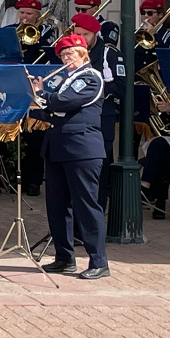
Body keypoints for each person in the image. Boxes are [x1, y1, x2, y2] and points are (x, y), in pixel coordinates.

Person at [31, 34, 110, 280]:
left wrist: (42, 95)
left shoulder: (90, 77)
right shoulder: (66, 80)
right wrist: (30, 104)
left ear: (83, 54)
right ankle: (64, 257)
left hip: (82, 149)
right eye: (63, 56)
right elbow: (54, 115)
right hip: (58, 148)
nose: (66, 59)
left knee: (86, 206)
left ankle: (99, 261)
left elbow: (65, 103)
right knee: (57, 206)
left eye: (70, 55)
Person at [69, 13, 126, 209]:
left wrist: (91, 89)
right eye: (78, 34)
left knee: (98, 173)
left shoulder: (109, 53)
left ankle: (95, 218)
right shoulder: (72, 53)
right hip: (76, 120)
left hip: (102, 119)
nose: (81, 39)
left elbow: (120, 86)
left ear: (95, 34)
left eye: (85, 34)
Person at [10, 0, 54, 196]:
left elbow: (50, 56)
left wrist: (36, 41)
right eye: (22, 13)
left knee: (35, 135)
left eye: (29, 14)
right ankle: (14, 175)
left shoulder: (46, 32)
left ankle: (34, 180)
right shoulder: (11, 30)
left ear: (37, 15)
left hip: (36, 84)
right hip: (14, 84)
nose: (24, 17)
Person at [134, 0, 170, 71]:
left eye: (150, 13)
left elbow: (169, 57)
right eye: (143, 13)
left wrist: (154, 34)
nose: (146, 16)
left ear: (160, 15)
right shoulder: (140, 34)